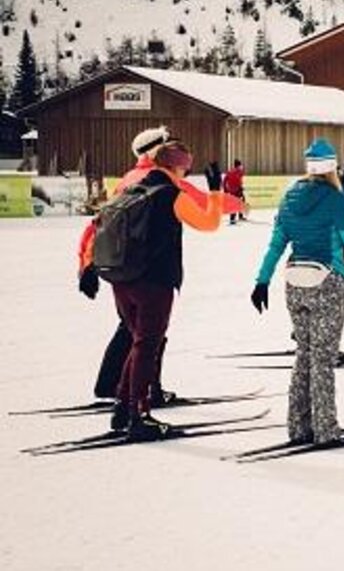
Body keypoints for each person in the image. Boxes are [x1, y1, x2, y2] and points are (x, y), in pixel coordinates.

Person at [77, 127, 242, 403]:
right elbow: (203, 209)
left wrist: (87, 264)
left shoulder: (128, 180)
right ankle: (140, 396)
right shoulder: (166, 184)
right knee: (147, 339)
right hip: (151, 273)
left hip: (122, 271)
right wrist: (233, 201)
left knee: (134, 334)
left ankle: (118, 389)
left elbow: (99, 225)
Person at [102, 139, 224, 439]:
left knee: (137, 341)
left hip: (121, 278)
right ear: (180, 166)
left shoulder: (131, 189)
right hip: (153, 281)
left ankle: (123, 405)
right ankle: (138, 415)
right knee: (148, 345)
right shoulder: (171, 193)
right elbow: (209, 223)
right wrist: (216, 192)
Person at [251, 139, 344, 446]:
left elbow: (276, 244)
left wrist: (261, 281)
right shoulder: (335, 199)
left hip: (294, 284)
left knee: (303, 356)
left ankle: (298, 427)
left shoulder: (289, 196)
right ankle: (326, 430)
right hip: (326, 283)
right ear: (331, 168)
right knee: (323, 360)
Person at [223, 159, 247, 224]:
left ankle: (233, 218)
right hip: (237, 190)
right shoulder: (239, 172)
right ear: (238, 165)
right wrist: (241, 187)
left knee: (235, 202)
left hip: (231, 190)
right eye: (240, 165)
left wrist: (225, 189)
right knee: (240, 202)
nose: (241, 166)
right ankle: (238, 216)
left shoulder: (229, 171)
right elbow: (239, 181)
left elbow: (225, 181)